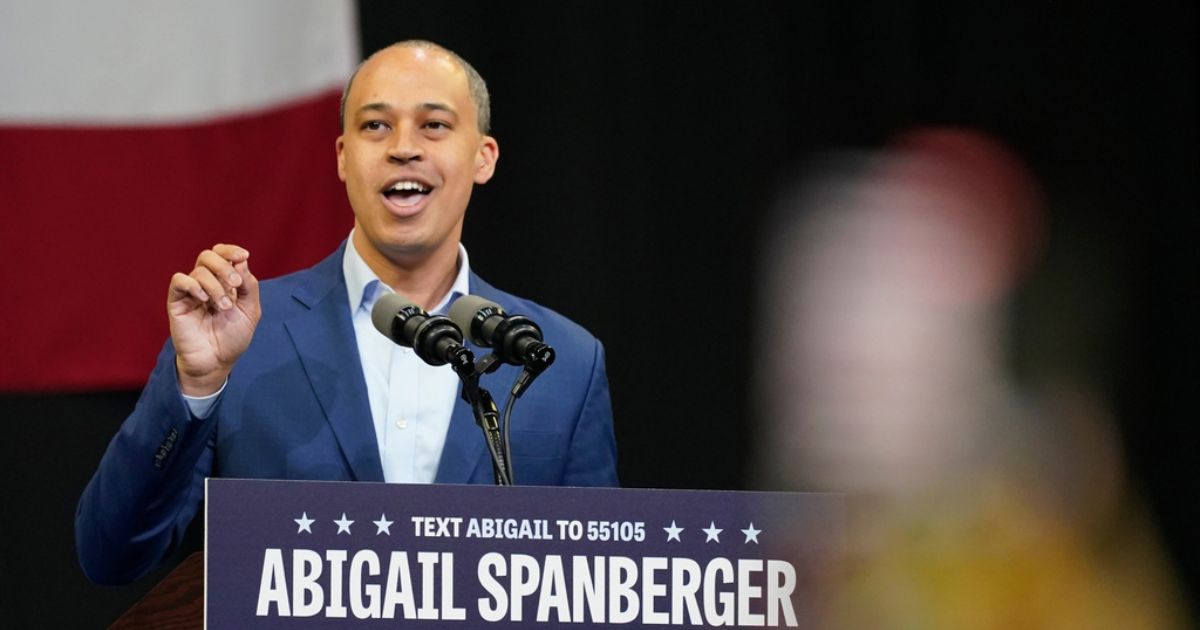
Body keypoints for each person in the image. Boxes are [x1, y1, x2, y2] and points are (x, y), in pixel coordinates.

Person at [75, 40, 618, 586]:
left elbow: (602, 586)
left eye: (434, 125)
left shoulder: (560, 361)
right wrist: (196, 386)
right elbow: (110, 555)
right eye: (376, 126)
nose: (403, 147)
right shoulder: (238, 337)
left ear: (484, 157)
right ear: (341, 155)